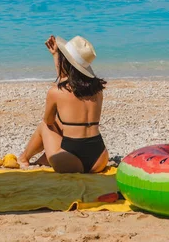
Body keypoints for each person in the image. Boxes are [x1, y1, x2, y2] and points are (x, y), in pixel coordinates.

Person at [18, 35, 109, 173]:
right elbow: (68, 82)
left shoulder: (55, 92)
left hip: (69, 160)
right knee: (65, 123)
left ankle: (23, 158)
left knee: (45, 125)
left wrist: (57, 56)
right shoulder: (98, 91)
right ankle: (42, 159)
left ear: (65, 63)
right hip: (99, 158)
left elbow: (48, 121)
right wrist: (56, 55)